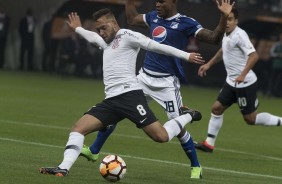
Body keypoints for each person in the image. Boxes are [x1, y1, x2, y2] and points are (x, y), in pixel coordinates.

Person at [39, 9, 204, 177]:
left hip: (130, 97)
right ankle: (63, 168)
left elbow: (155, 46)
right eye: (99, 29)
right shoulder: (106, 42)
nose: (101, 33)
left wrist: (186, 55)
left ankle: (189, 115)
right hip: (111, 101)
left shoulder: (126, 35)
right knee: (77, 129)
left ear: (114, 24)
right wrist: (78, 28)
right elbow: (93, 38)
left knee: (161, 137)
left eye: (104, 28)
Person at [80, 0, 234, 178]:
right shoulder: (153, 17)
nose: (157, 5)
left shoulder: (186, 23)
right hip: (143, 79)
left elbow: (215, 38)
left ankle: (196, 166)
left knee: (177, 126)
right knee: (116, 109)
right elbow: (131, 19)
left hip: (166, 84)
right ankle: (94, 150)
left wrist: (223, 16)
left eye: (161, 1)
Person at [194, 8, 282, 153]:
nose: (227, 22)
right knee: (216, 108)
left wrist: (242, 74)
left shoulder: (240, 35)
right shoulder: (224, 34)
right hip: (231, 82)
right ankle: (209, 144)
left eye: (230, 19)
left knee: (250, 119)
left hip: (245, 83)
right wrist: (208, 64)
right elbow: (223, 51)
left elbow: (254, 56)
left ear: (236, 21)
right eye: (225, 19)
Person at [269, 33, 282, 97]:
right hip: (276, 65)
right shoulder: (276, 45)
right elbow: (271, 53)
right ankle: (271, 92)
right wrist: (278, 55)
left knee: (280, 81)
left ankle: (278, 93)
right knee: (273, 79)